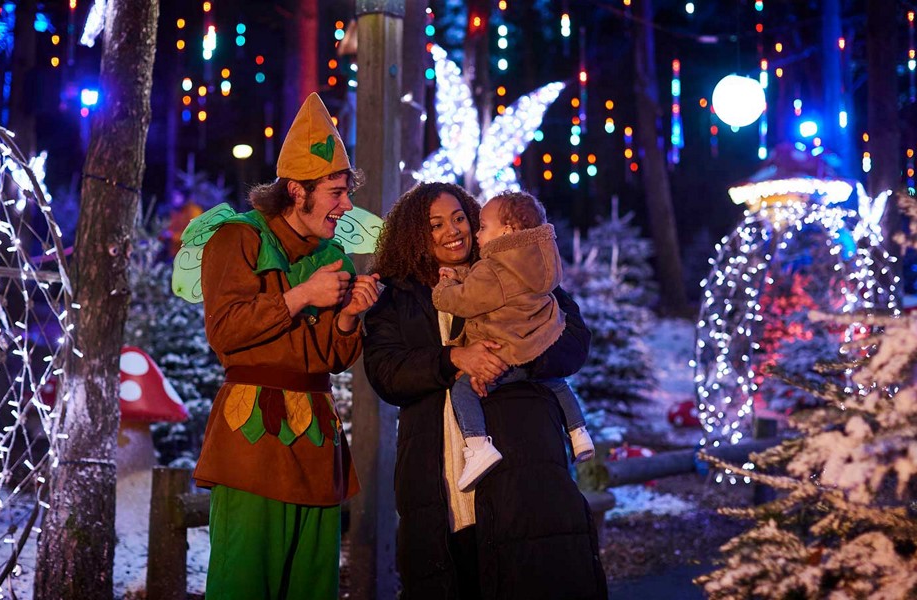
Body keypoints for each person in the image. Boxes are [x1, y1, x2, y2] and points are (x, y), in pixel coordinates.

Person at [364, 182, 607, 600]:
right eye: (435, 224)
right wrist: (454, 360)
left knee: (530, 574)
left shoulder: (513, 265)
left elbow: (574, 340)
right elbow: (385, 372)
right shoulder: (397, 297)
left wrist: (515, 360)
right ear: (414, 234)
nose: (452, 231)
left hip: (523, 463)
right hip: (437, 475)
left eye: (460, 218)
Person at [191, 93, 380, 599]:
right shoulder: (237, 238)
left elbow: (333, 359)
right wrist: (302, 295)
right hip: (252, 437)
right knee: (244, 582)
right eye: (336, 193)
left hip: (317, 442)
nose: (346, 206)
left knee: (312, 586)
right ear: (297, 190)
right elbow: (225, 331)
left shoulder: (333, 253)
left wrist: (347, 318)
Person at [432, 191, 595, 491]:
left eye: (480, 226)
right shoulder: (540, 266)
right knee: (557, 383)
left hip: (507, 366)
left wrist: (444, 288)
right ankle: (578, 431)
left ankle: (478, 445)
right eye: (436, 224)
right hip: (537, 355)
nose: (476, 233)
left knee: (462, 390)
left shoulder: (491, 268)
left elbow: (468, 299)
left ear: (506, 231)